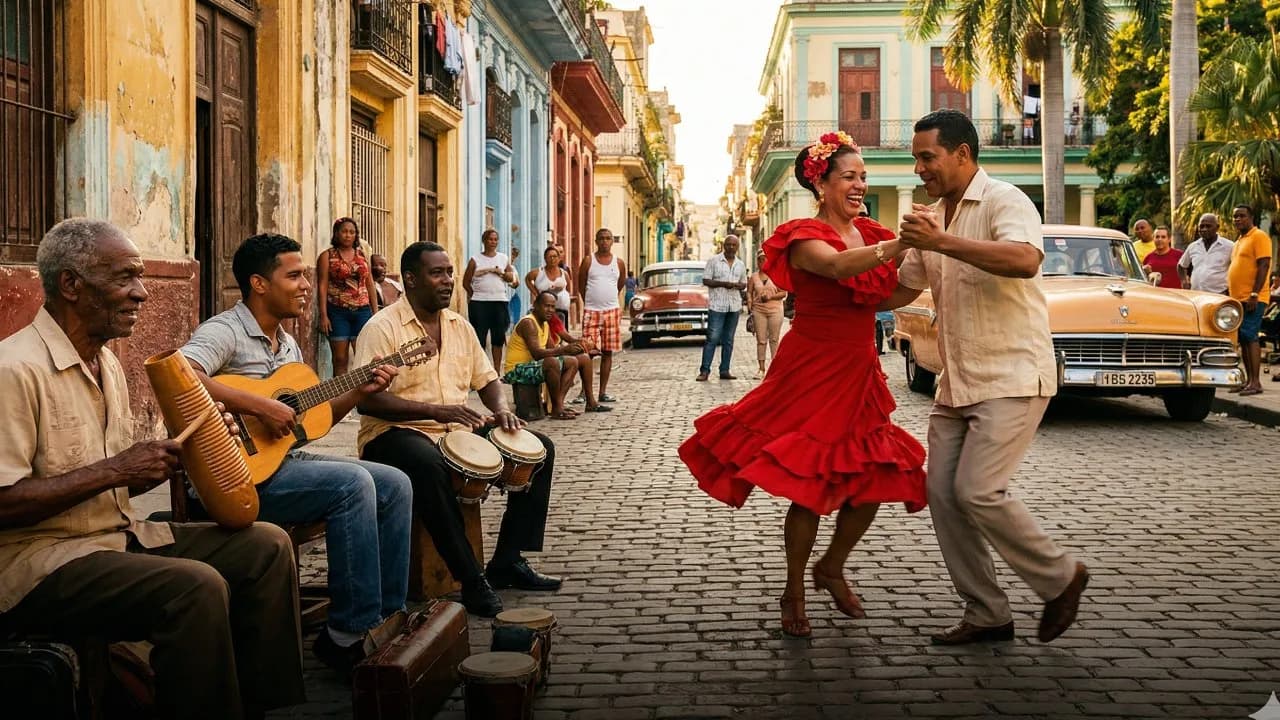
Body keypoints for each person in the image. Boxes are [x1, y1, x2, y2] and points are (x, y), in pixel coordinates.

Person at [0, 219, 305, 719]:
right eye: (125, 277)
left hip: (115, 536)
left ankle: (260, 705)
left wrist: (171, 459)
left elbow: (115, 479)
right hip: (39, 563)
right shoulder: (14, 369)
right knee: (196, 587)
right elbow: (5, 502)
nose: (142, 292)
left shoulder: (107, 364)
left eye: (141, 276)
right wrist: (117, 470)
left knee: (266, 546)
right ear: (71, 285)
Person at [679, 131, 927, 638]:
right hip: (813, 369)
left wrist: (928, 259)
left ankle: (831, 565)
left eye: (863, 176)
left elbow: (887, 296)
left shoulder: (871, 232)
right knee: (811, 487)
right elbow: (835, 266)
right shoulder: (802, 235)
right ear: (821, 183)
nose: (860, 185)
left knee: (875, 475)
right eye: (849, 176)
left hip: (859, 368)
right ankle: (794, 589)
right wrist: (902, 244)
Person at [892, 109, 1088, 646]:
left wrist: (940, 242)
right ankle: (987, 613)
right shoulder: (932, 217)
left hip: (1011, 374)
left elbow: (1024, 260)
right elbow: (902, 289)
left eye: (927, 157)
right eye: (915, 159)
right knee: (942, 494)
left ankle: (1061, 577)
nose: (919, 169)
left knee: (977, 491)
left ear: (962, 153)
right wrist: (832, 283)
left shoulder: (1005, 199)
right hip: (955, 381)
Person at [182, 233, 412, 674]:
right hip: (229, 479)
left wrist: (358, 390)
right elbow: (181, 374)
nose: (307, 285)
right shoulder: (224, 330)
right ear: (259, 284)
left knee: (394, 482)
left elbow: (306, 426)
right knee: (353, 484)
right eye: (294, 276)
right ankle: (347, 634)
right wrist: (259, 405)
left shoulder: (286, 344)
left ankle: (385, 618)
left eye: (306, 276)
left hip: (276, 465)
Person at [355, 242, 562, 618]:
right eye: (437, 273)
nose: (448, 280)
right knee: (428, 463)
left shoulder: (459, 326)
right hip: (393, 434)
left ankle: (508, 560)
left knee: (539, 449)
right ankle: (471, 579)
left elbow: (487, 379)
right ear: (411, 280)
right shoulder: (381, 327)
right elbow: (367, 401)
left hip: (454, 429)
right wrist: (435, 411)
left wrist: (501, 411)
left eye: (450, 272)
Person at [505, 291, 587, 420]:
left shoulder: (544, 324)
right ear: (536, 305)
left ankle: (558, 405)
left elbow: (552, 350)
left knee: (572, 361)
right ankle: (556, 408)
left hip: (532, 366)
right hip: (516, 370)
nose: (550, 310)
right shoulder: (528, 323)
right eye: (546, 306)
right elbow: (537, 354)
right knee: (552, 362)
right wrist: (565, 349)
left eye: (553, 307)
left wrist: (576, 350)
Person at [317, 217, 379, 375]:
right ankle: (340, 391)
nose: (348, 235)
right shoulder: (327, 256)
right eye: (344, 231)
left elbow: (370, 284)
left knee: (364, 357)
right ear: (336, 233)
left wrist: (375, 312)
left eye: (352, 232)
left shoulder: (362, 255)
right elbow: (322, 285)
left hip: (363, 311)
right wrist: (323, 315)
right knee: (340, 359)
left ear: (356, 235)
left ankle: (364, 390)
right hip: (337, 312)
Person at [1226, 205, 1272, 396]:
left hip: (1253, 298)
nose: (1237, 219)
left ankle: (1256, 382)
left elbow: (1264, 265)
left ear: (1251, 217)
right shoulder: (1239, 240)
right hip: (1238, 299)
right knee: (1243, 338)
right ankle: (1247, 381)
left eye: (1242, 216)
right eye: (1235, 216)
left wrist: (1254, 293)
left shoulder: (1259, 236)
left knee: (1250, 337)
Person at [577, 228, 626, 403]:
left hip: (612, 311)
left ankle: (602, 392)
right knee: (587, 352)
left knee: (607, 352)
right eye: (601, 238)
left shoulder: (618, 263)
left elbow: (620, 284)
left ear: (612, 241)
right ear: (596, 241)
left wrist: (608, 300)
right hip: (592, 311)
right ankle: (584, 392)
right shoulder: (588, 261)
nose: (605, 241)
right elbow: (581, 285)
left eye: (608, 238)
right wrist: (590, 302)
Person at [463, 229, 519, 372]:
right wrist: (475, 295)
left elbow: (511, 278)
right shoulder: (475, 259)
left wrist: (502, 273)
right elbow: (466, 282)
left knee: (498, 338)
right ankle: (480, 371)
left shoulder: (503, 258)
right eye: (490, 239)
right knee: (479, 338)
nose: (493, 242)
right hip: (479, 304)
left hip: (499, 302)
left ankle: (496, 371)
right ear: (484, 241)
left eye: (495, 239)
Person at [698, 234, 749, 381]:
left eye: (734, 245)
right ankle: (704, 371)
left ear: (737, 247)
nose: (731, 247)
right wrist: (723, 284)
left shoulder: (740, 264)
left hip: (734, 306)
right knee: (712, 338)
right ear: (723, 246)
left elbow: (744, 283)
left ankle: (724, 370)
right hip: (717, 306)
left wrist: (738, 285)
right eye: (728, 244)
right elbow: (706, 280)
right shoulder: (714, 261)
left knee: (729, 340)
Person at [747, 249, 786, 378]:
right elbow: (749, 291)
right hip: (759, 310)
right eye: (760, 260)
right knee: (761, 340)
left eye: (765, 259)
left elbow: (783, 293)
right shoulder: (754, 277)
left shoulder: (776, 275)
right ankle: (761, 368)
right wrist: (749, 301)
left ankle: (775, 369)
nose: (762, 262)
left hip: (775, 310)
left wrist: (771, 297)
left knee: (774, 339)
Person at [1178, 214, 1233, 293]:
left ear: (1217, 227)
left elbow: (1237, 269)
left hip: (1219, 295)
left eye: (1208, 226)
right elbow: (1181, 265)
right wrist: (1184, 281)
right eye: (1201, 226)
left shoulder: (1229, 246)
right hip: (1196, 294)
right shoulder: (1193, 246)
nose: (1204, 229)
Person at [526, 245, 573, 327]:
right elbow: (527, 279)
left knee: (560, 332)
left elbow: (568, 289)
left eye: (555, 256)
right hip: (544, 312)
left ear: (559, 258)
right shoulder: (538, 272)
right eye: (549, 257)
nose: (552, 259)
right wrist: (535, 293)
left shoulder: (564, 273)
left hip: (561, 311)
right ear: (545, 258)